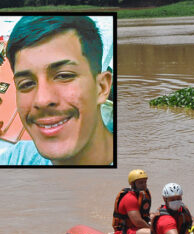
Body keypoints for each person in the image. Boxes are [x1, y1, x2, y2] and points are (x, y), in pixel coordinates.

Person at [0, 15, 113, 165]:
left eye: (64, 76)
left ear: (101, 87)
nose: (42, 100)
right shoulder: (15, 159)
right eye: (26, 84)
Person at [112, 169, 153, 234]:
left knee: (155, 217)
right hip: (123, 232)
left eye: (145, 182)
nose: (144, 185)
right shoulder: (130, 198)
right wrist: (154, 230)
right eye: (140, 183)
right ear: (132, 184)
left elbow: (144, 215)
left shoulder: (142, 195)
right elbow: (138, 222)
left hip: (135, 229)